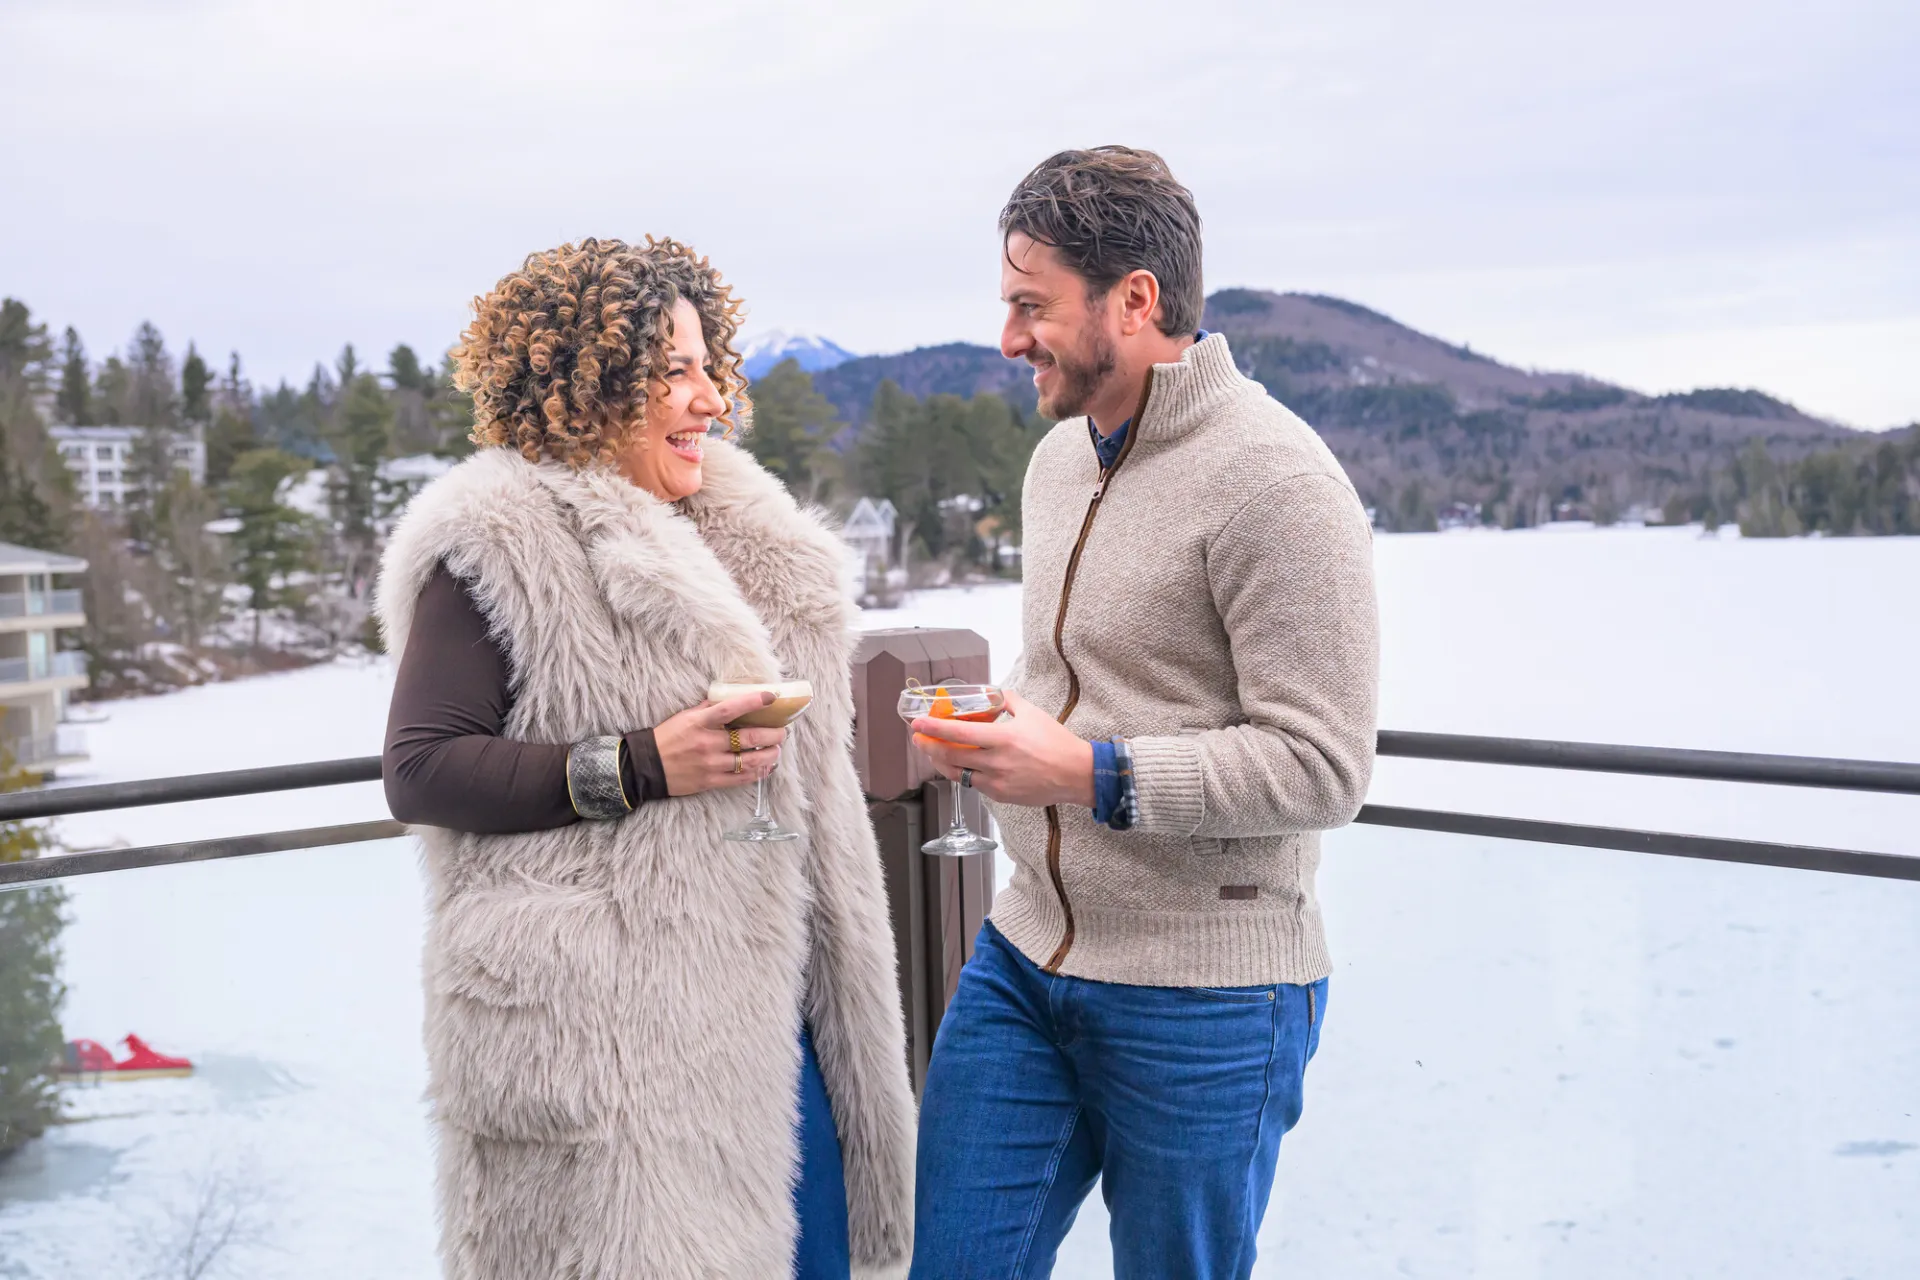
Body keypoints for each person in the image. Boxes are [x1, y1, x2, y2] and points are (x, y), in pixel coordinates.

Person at [376, 237, 914, 1279]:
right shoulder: (497, 535)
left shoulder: (742, 532)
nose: (709, 397)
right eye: (673, 369)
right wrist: (636, 766)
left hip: (778, 1020)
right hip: (613, 1046)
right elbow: (422, 767)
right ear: (583, 384)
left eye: (712, 366)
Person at [907, 149, 1380, 1278]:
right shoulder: (1057, 462)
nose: (1011, 339)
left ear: (1135, 299)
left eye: (1033, 306)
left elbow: (1323, 765)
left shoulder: (1281, 484)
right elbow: (1095, 684)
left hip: (1208, 995)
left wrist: (1087, 772)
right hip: (1027, 957)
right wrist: (1015, 724)